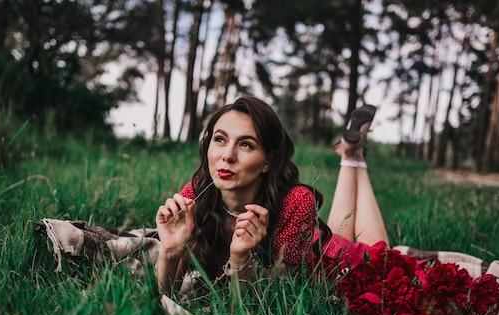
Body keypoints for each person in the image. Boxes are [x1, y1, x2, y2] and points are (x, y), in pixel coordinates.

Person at [155, 96, 388, 295]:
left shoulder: (296, 200)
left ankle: (353, 157)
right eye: (220, 139)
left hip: (335, 264)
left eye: (245, 144)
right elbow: (163, 295)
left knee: (381, 256)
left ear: (267, 161)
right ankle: (350, 152)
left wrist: (241, 259)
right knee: (338, 230)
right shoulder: (196, 195)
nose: (227, 155)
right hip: (311, 239)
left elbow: (269, 303)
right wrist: (171, 251)